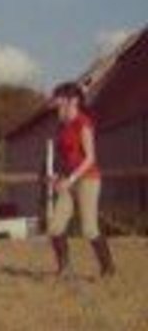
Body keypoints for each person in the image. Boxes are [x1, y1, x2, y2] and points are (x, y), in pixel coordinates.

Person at [48, 82, 115, 278]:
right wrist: (58, 175)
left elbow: (90, 158)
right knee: (55, 227)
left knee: (89, 228)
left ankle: (108, 268)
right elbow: (65, 157)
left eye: (59, 101)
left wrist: (72, 179)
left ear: (73, 101)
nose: (56, 105)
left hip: (87, 179)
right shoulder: (62, 126)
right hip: (68, 180)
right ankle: (64, 268)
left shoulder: (83, 123)